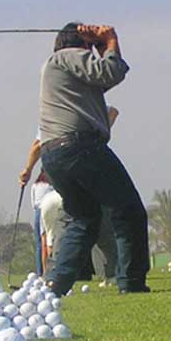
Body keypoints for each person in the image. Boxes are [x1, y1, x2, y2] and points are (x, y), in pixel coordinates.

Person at [37, 23, 150, 295]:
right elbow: (109, 71)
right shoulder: (68, 55)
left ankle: (56, 283)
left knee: (84, 218)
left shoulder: (57, 69)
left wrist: (105, 48)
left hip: (54, 153)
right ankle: (131, 281)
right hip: (81, 147)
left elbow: (106, 77)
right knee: (128, 210)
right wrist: (110, 40)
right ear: (80, 43)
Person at [20, 107, 120, 284]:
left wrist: (27, 169)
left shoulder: (52, 114)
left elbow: (37, 145)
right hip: (90, 172)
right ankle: (112, 273)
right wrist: (102, 131)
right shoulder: (87, 107)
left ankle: (56, 275)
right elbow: (112, 112)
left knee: (65, 227)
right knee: (99, 225)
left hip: (63, 181)